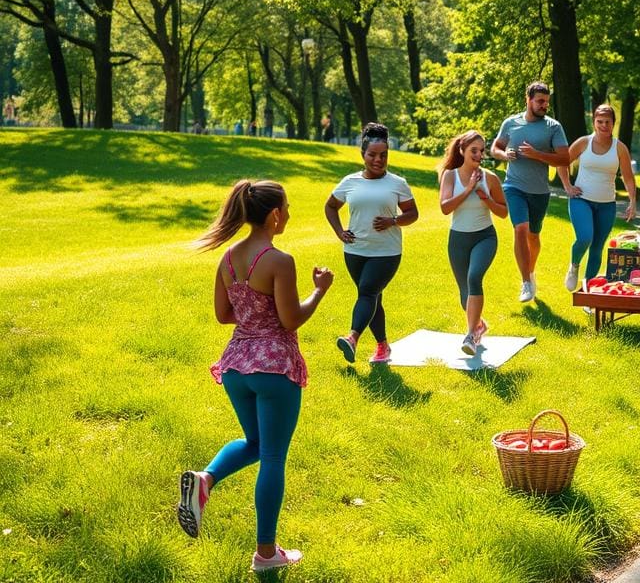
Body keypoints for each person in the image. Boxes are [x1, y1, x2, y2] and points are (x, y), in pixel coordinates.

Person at [179, 179, 334, 572]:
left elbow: (223, 314)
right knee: (272, 456)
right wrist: (319, 291)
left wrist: (251, 313)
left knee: (255, 442)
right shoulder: (279, 260)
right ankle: (267, 554)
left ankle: (205, 479)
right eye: (287, 207)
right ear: (275, 215)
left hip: (236, 365)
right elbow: (291, 318)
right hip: (273, 366)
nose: (289, 214)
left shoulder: (227, 258)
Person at [325, 122, 419, 363]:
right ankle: (383, 347)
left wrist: (393, 220)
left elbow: (413, 214)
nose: (379, 159)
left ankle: (352, 338)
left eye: (384, 155)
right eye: (373, 155)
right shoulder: (349, 182)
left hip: (386, 252)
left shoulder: (397, 183)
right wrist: (339, 232)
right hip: (355, 250)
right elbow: (331, 206)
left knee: (367, 292)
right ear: (363, 154)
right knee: (371, 296)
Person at [491, 81, 569, 302]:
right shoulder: (511, 123)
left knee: (534, 236)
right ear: (528, 99)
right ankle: (525, 282)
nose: (545, 105)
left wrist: (537, 155)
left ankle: (530, 273)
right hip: (513, 186)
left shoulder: (553, 127)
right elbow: (495, 147)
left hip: (539, 192)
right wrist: (505, 155)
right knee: (521, 230)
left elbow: (565, 158)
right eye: (540, 101)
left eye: (546, 101)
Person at [438, 130, 509, 354]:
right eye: (473, 151)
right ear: (462, 151)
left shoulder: (490, 178)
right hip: (458, 239)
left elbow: (504, 212)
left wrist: (484, 196)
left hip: (484, 237)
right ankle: (479, 326)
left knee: (474, 276)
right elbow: (445, 207)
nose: (479, 155)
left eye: (481, 150)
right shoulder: (450, 176)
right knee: (464, 294)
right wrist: (468, 189)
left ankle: (470, 336)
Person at [558, 104, 636, 292]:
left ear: (613, 124)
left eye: (607, 122)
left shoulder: (620, 148)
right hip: (581, 199)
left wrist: (633, 201)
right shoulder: (584, 142)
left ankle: (588, 291)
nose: (603, 126)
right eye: (599, 122)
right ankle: (574, 265)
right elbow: (562, 162)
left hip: (607, 204)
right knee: (585, 237)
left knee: (597, 247)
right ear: (594, 122)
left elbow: (628, 177)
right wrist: (567, 186)